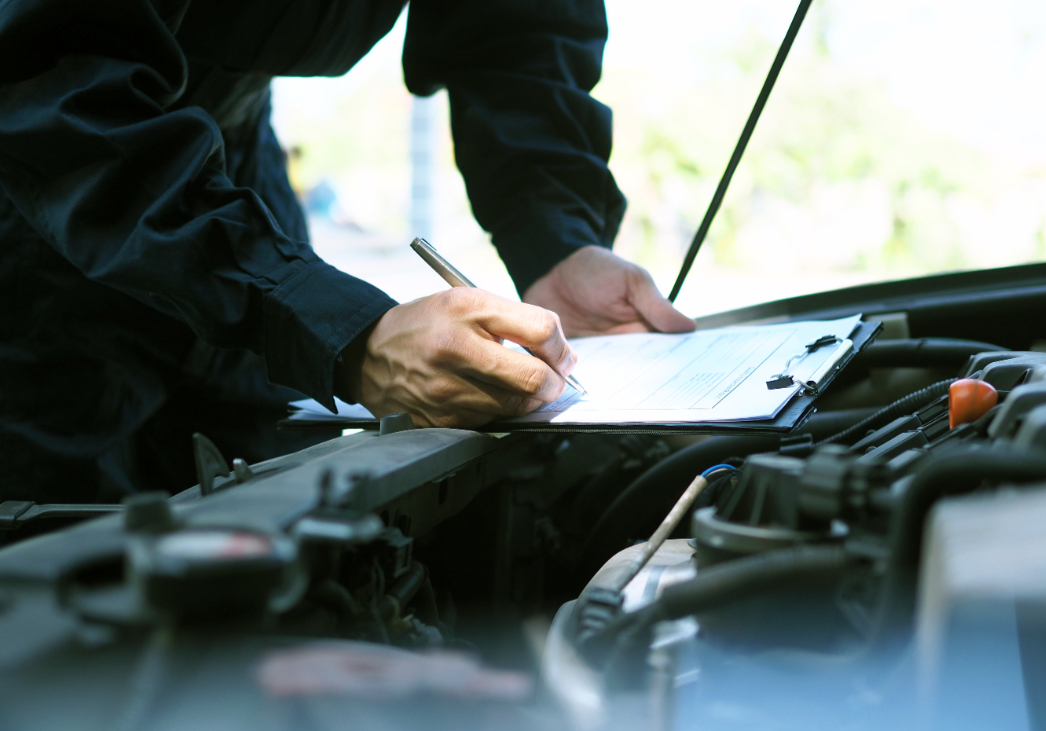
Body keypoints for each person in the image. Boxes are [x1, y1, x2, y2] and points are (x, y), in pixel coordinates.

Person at [0, 0, 693, 504]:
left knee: (288, 518)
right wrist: (348, 333)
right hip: (42, 178)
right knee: (61, 583)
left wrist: (554, 238)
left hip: (224, 163)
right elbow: (46, 78)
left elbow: (514, 28)